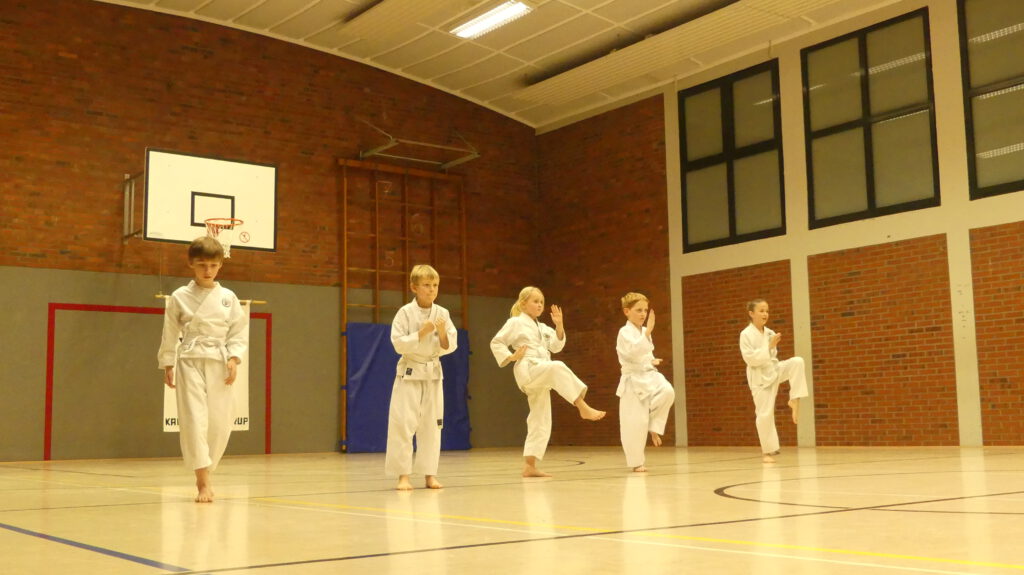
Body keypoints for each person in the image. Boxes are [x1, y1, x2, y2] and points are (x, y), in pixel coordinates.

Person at [158, 236, 249, 502]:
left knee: (220, 423)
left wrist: (234, 358)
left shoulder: (228, 297)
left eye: (212, 265)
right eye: (201, 265)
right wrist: (168, 362)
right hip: (189, 359)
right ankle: (202, 482)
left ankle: (207, 469)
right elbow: (170, 332)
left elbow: (238, 332)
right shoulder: (179, 296)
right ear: (191, 264)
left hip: (219, 360)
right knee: (193, 420)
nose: (207, 270)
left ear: (220, 265)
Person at [490, 286, 606, 478]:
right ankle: (582, 406)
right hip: (528, 369)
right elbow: (496, 342)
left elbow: (556, 346)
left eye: (542, 302)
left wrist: (559, 325)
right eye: (535, 301)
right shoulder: (515, 322)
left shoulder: (543, 328)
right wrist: (511, 356)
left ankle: (530, 465)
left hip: (542, 372)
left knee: (540, 418)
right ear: (523, 304)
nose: (539, 305)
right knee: (557, 367)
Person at [385, 264, 457, 490]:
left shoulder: (442, 313)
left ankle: (429, 475)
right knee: (403, 424)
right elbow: (398, 344)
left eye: (435, 285)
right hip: (409, 373)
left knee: (432, 426)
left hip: (433, 375)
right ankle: (403, 476)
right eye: (426, 285)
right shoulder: (405, 313)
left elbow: (450, 346)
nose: (432, 289)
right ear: (414, 287)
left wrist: (442, 333)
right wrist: (422, 332)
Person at [739, 298, 809, 463]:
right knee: (764, 414)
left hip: (774, 370)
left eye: (767, 311)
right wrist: (769, 346)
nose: (765, 314)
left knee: (797, 362)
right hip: (759, 379)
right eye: (761, 311)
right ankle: (767, 452)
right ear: (751, 313)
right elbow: (750, 359)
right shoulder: (745, 334)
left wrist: (771, 348)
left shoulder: (770, 332)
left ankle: (794, 399)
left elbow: (773, 356)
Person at [616, 293, 675, 472]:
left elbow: (644, 355)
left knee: (668, 391)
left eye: (645, 310)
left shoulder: (643, 332)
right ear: (627, 311)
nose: (643, 314)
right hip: (632, 380)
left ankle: (653, 425)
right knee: (634, 422)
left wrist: (651, 360)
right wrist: (648, 332)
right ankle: (636, 462)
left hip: (648, 374)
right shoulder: (624, 332)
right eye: (638, 310)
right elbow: (631, 353)